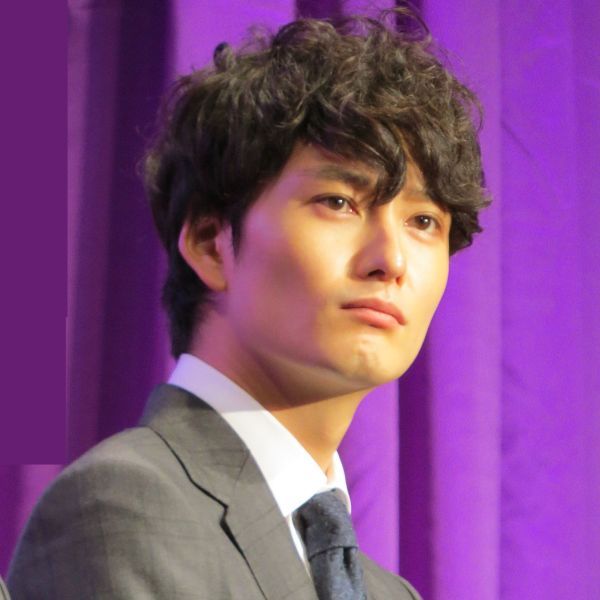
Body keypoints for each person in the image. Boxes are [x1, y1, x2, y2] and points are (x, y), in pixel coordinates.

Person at [7, 8, 488, 599]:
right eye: (339, 202)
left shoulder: (393, 594)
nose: (390, 258)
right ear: (212, 242)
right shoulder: (123, 507)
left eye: (423, 221)